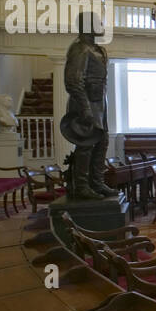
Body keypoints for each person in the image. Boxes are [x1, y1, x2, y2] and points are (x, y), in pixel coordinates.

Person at [59, 12, 115, 199]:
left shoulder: (98, 50)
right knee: (86, 145)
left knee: (102, 142)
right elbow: (74, 81)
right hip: (86, 102)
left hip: (100, 103)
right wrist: (85, 108)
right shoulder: (80, 49)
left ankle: (97, 182)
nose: (101, 25)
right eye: (98, 22)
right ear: (88, 25)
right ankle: (82, 186)